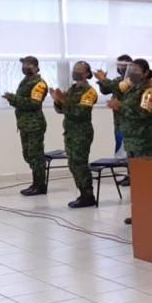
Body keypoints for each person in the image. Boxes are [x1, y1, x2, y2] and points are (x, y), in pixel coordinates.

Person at [51, 61, 98, 208]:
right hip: (70, 132)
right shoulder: (72, 90)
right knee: (73, 164)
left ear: (87, 74)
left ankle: (88, 196)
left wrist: (64, 101)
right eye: (75, 69)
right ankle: (82, 193)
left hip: (82, 133)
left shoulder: (90, 92)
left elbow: (80, 112)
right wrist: (58, 101)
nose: (75, 72)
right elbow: (61, 110)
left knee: (80, 164)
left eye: (79, 70)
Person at [3, 56, 49, 196]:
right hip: (25, 124)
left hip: (34, 124)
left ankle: (40, 186)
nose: (24, 67)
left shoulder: (39, 84)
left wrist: (13, 99)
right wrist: (13, 100)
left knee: (36, 156)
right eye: (23, 64)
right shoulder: (25, 81)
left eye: (28, 64)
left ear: (36, 67)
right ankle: (36, 183)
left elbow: (34, 103)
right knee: (28, 155)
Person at [111, 59, 152, 160]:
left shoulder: (150, 90)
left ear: (145, 73)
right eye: (131, 70)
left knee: (144, 173)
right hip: (130, 141)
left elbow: (144, 112)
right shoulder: (130, 89)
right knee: (132, 173)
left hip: (143, 142)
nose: (132, 73)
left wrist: (121, 106)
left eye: (136, 70)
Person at [95, 54, 133, 153]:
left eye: (123, 65)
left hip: (130, 122)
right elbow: (106, 90)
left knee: (127, 152)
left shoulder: (132, 80)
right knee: (120, 150)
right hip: (118, 121)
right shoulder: (118, 79)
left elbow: (116, 87)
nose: (120, 67)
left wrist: (103, 79)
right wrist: (102, 81)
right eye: (119, 65)